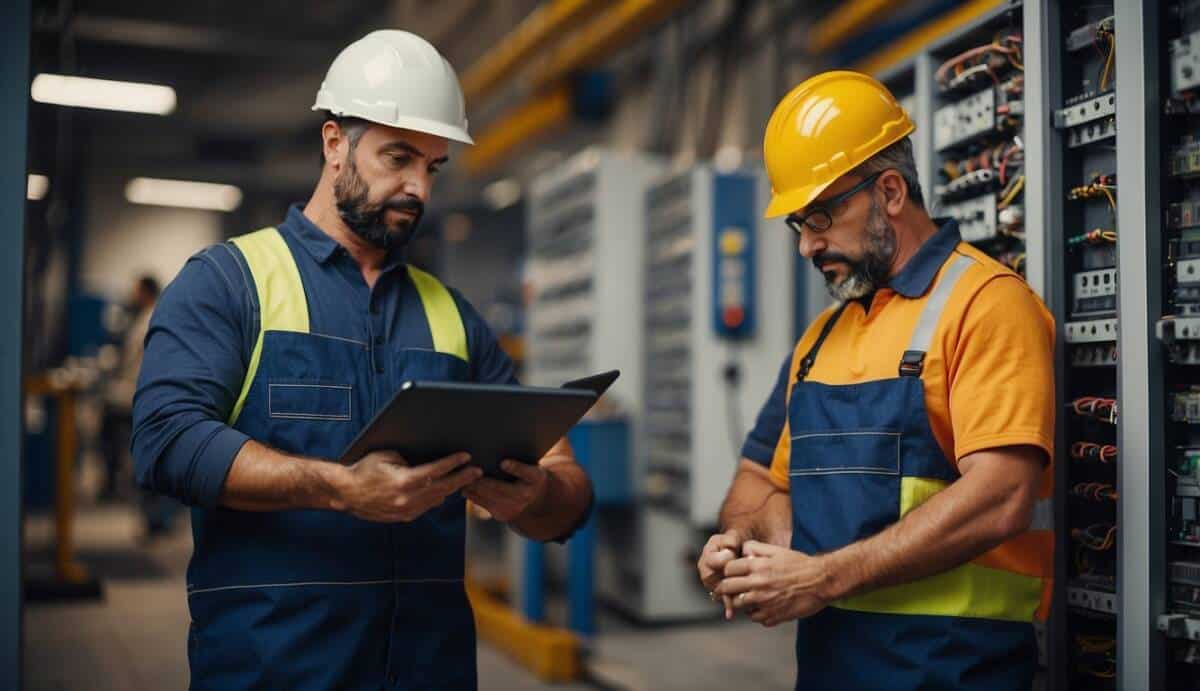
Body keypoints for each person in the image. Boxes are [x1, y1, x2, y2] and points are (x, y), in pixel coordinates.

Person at [132, 30, 593, 691]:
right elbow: (164, 440)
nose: (417, 189)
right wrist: (338, 488)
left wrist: (535, 495)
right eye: (398, 156)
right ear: (333, 143)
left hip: (429, 671)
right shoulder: (230, 282)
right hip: (273, 672)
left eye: (432, 166)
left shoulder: (453, 318)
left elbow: (567, 490)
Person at [696, 71, 1054, 690]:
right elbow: (761, 482)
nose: (808, 245)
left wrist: (821, 578)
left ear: (890, 191)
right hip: (832, 669)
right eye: (798, 226)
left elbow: (1002, 496)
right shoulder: (819, 340)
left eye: (821, 217)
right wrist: (739, 543)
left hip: (955, 670)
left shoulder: (988, 304)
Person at [100, 275, 158, 503]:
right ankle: (113, 480)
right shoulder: (142, 317)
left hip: (137, 392)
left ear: (146, 292)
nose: (133, 295)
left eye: (136, 291)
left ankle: (112, 482)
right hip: (133, 389)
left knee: (108, 422)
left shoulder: (150, 319)